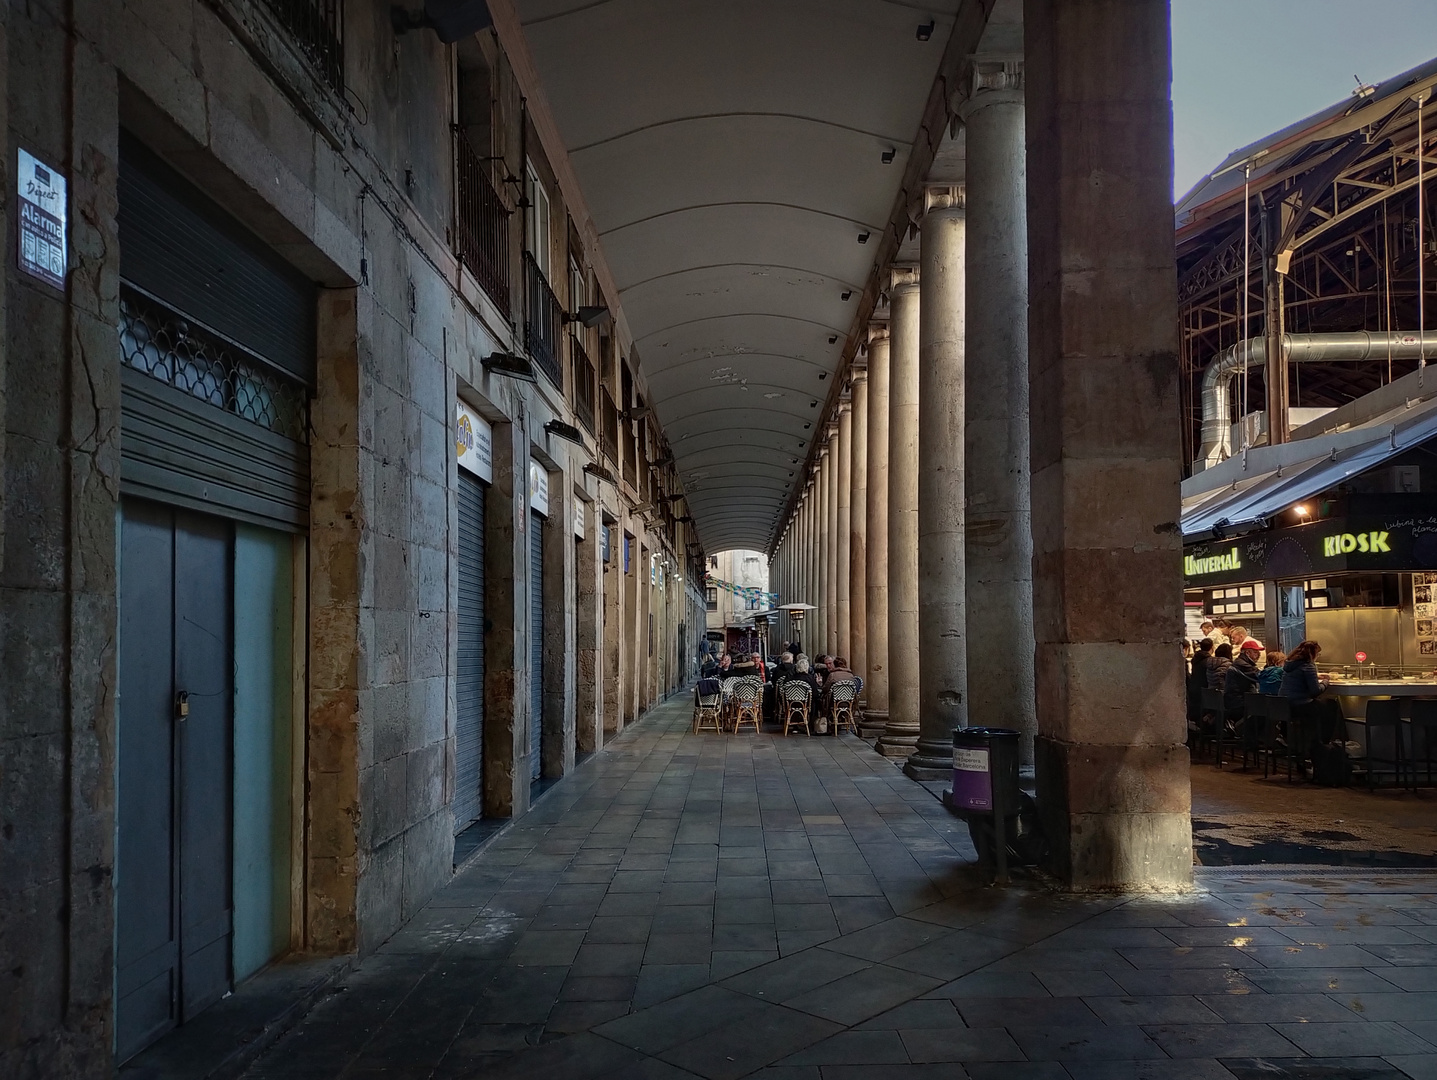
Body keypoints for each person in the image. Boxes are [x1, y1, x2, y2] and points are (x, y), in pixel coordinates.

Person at [1223, 639, 1262, 718]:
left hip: (1233, 700)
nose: (1259, 655)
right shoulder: (1243, 665)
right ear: (1247, 653)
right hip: (1238, 703)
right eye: (1255, 652)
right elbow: (1260, 676)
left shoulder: (1239, 662)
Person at [1188, 638, 1214, 720]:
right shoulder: (1209, 661)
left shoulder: (1195, 658)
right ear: (1212, 648)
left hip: (1193, 687)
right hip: (1204, 687)